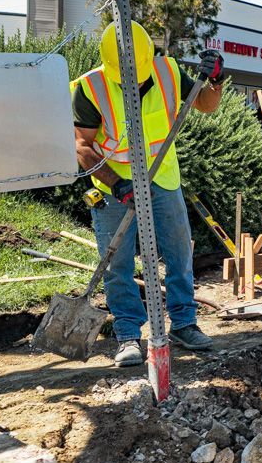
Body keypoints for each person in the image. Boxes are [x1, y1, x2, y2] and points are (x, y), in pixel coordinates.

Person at [72, 22, 224, 367]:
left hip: (162, 177)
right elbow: (82, 146)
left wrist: (215, 80)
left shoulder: (168, 70)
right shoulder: (90, 88)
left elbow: (206, 104)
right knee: (117, 262)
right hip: (114, 185)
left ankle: (184, 324)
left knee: (178, 252)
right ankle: (128, 334)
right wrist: (116, 183)